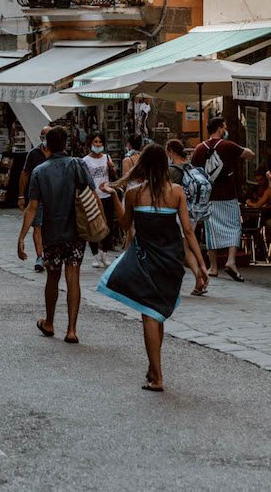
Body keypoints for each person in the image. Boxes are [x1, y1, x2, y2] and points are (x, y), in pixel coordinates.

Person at [100, 144, 208, 391]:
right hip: (171, 259)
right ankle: (153, 368)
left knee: (149, 314)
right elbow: (188, 231)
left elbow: (126, 225)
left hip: (145, 258)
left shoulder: (134, 194)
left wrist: (116, 197)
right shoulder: (177, 192)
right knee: (157, 314)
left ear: (144, 166)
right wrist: (201, 265)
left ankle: (157, 376)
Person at [17, 126, 99, 343]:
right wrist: (101, 223)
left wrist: (22, 237)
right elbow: (92, 194)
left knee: (52, 277)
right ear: (66, 144)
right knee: (73, 277)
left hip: (52, 233)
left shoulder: (39, 171)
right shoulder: (78, 164)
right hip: (76, 231)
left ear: (47, 145)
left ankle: (50, 321)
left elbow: (32, 207)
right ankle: (72, 330)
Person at [192, 116, 254, 281]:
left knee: (211, 231)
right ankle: (231, 261)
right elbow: (250, 154)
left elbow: (193, 172)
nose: (225, 130)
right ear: (220, 128)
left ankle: (213, 267)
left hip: (208, 197)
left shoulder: (199, 148)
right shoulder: (228, 146)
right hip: (228, 195)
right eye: (224, 127)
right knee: (234, 226)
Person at [165, 138, 209, 297]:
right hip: (194, 212)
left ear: (170, 151)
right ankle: (198, 277)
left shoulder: (172, 171)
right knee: (186, 246)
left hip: (180, 214)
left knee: (185, 248)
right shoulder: (190, 167)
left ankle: (199, 277)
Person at [18, 123, 56, 273]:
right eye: (43, 136)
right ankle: (39, 257)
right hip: (37, 196)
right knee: (38, 226)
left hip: (54, 196)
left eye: (48, 136)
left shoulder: (58, 153)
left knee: (51, 226)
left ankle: (49, 254)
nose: (45, 139)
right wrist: (21, 195)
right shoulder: (33, 153)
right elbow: (25, 173)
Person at [81, 133, 116, 268]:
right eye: (95, 142)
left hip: (106, 195)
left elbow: (113, 176)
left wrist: (111, 167)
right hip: (93, 196)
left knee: (107, 225)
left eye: (100, 142)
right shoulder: (85, 160)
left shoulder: (107, 158)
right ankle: (95, 255)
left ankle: (104, 253)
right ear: (90, 143)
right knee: (93, 225)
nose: (97, 145)